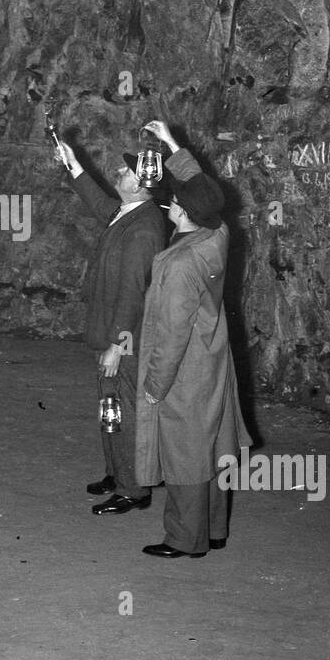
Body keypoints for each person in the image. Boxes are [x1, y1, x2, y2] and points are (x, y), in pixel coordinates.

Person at [134, 120, 252, 558]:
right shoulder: (217, 235)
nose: (167, 206)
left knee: (185, 453)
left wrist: (154, 387)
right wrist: (171, 144)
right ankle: (215, 529)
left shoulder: (179, 263)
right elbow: (205, 191)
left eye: (173, 203)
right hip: (214, 360)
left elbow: (171, 334)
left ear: (181, 211)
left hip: (184, 370)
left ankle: (185, 540)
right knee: (214, 446)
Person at [54, 135, 167, 514]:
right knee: (110, 405)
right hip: (114, 334)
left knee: (122, 407)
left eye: (125, 170)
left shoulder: (143, 230)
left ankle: (133, 489)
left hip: (126, 340)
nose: (118, 172)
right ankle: (116, 471)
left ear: (139, 183)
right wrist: (72, 163)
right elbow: (99, 203)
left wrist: (118, 347)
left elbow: (133, 294)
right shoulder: (129, 211)